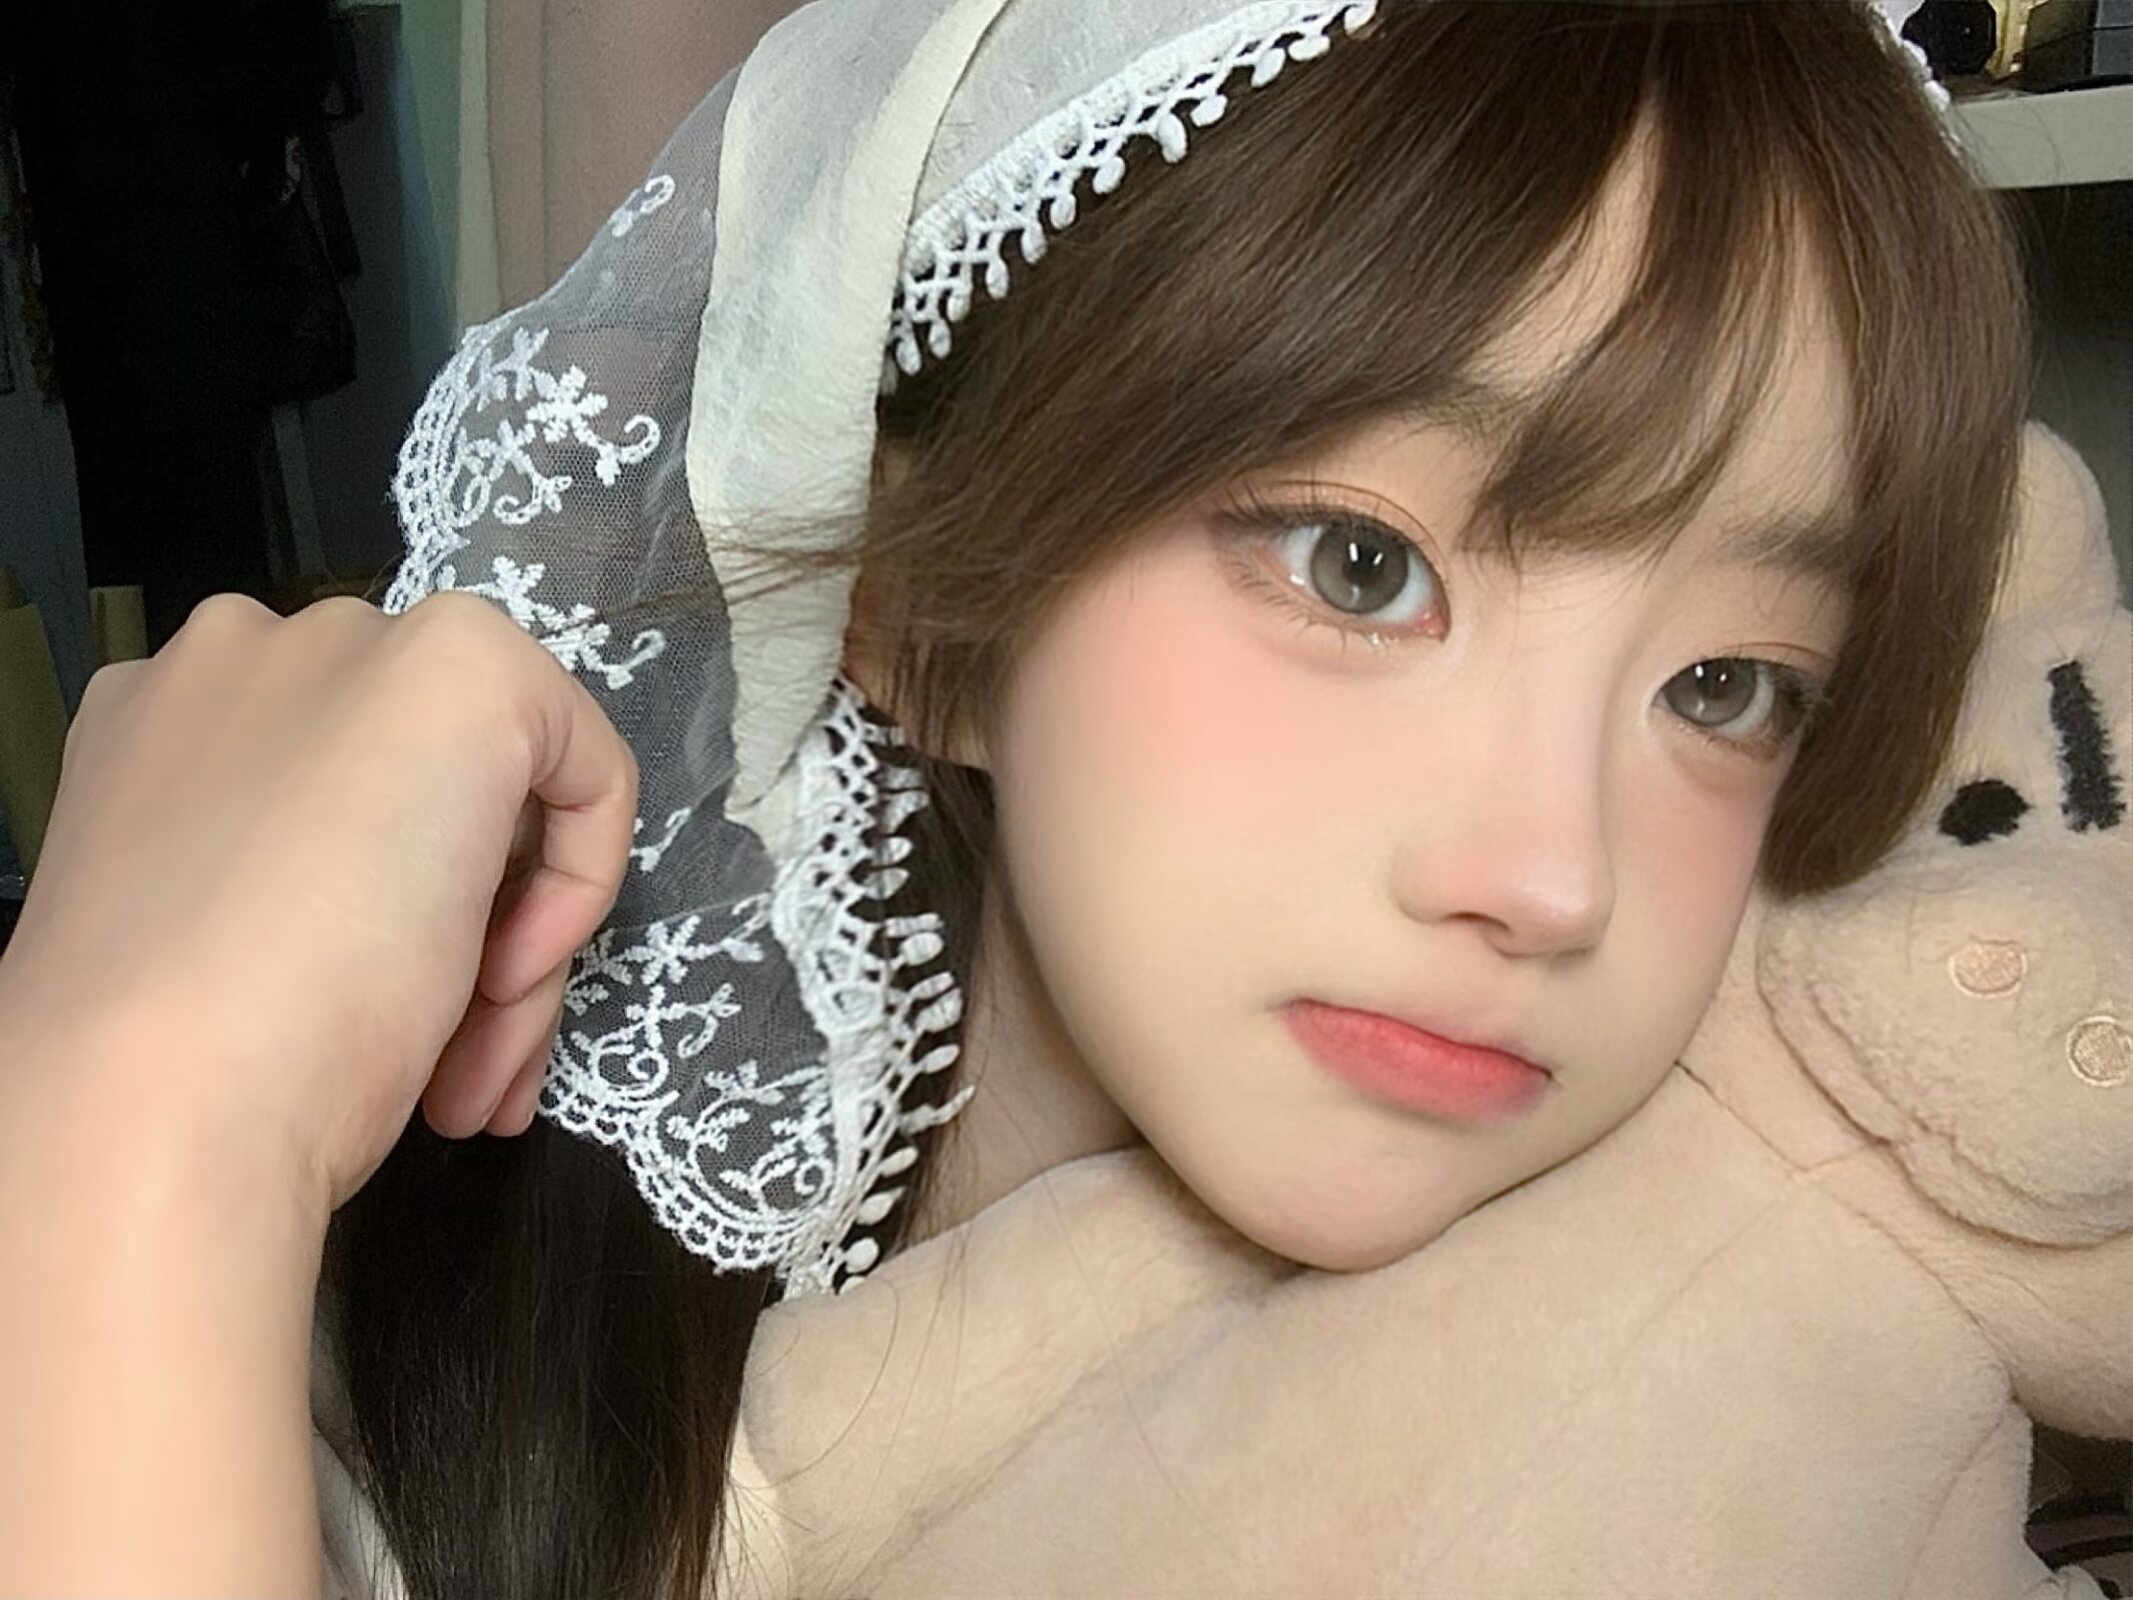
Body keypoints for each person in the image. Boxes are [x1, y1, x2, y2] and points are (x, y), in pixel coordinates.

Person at [0, 1, 2034, 1596]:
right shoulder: (414, 1323)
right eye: (1358, 564)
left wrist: (127, 1139)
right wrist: (149, 1125)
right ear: (913, 601)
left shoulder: (1773, 1393)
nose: (1555, 877)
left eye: (1726, 686)